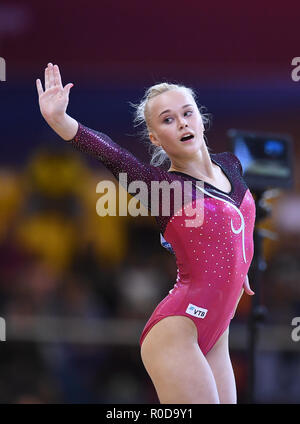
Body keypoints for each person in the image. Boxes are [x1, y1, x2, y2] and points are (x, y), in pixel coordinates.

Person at [36, 63, 256, 404]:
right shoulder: (163, 188)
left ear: (201, 118)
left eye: (187, 113)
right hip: (177, 331)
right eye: (168, 120)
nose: (182, 122)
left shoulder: (231, 164)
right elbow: (113, 154)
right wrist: (62, 122)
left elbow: (240, 221)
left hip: (218, 330)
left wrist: (240, 266)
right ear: (154, 137)